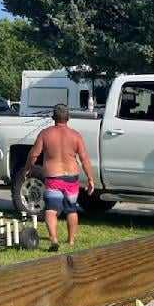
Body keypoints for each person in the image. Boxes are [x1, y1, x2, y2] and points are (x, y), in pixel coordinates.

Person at [23, 104, 95, 252]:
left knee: (51, 210)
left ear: (53, 117)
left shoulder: (45, 134)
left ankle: (54, 239)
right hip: (71, 178)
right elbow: (84, 159)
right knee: (71, 210)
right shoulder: (76, 135)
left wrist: (27, 169)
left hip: (53, 178)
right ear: (68, 118)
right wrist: (90, 178)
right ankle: (71, 241)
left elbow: (33, 154)